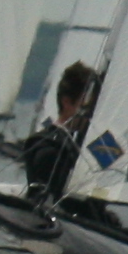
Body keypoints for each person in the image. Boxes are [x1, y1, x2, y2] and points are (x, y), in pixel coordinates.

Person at [19, 59, 102, 208]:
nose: (91, 113)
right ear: (66, 102)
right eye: (86, 106)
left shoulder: (88, 142)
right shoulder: (49, 148)